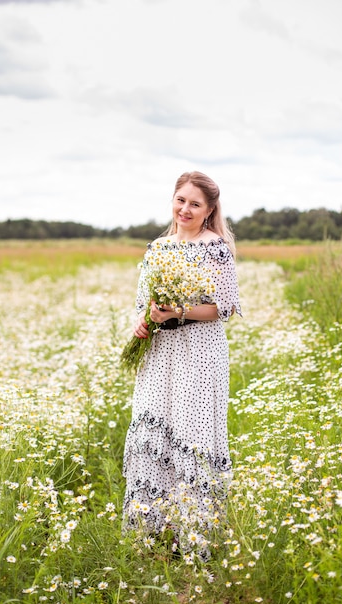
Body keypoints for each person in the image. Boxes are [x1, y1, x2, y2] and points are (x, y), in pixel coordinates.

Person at [122, 171, 242, 545]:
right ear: (172, 201)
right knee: (153, 424)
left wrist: (178, 312)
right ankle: (155, 529)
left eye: (195, 204)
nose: (185, 209)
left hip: (200, 352)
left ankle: (195, 532)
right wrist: (142, 324)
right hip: (160, 352)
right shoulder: (157, 249)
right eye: (180, 200)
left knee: (194, 431)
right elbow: (144, 302)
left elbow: (224, 308)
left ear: (208, 210)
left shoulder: (215, 247)